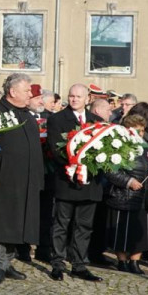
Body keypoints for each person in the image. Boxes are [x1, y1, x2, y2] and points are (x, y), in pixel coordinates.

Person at [0, 73, 43, 284]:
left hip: (25, 180)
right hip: (0, 178)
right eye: (26, 90)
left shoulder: (28, 116)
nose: (30, 94)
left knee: (17, 224)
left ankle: (7, 263)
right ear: (13, 92)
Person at [45, 84, 105, 282]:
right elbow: (55, 149)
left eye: (78, 96)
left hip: (90, 183)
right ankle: (58, 262)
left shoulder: (98, 122)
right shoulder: (57, 119)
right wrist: (75, 164)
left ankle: (79, 264)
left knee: (84, 225)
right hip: (67, 180)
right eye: (71, 96)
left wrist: (91, 166)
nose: (74, 99)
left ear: (87, 99)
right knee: (61, 223)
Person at [103, 113, 148, 274]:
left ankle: (135, 262)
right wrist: (128, 181)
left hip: (143, 194)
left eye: (142, 131)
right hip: (123, 194)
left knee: (140, 231)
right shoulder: (118, 145)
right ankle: (122, 260)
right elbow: (110, 169)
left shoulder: (145, 146)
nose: (140, 134)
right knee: (121, 231)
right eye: (136, 130)